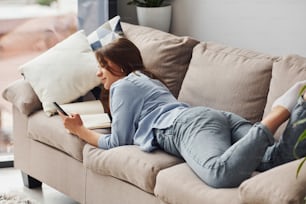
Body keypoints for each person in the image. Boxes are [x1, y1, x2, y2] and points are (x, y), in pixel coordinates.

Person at [59, 37, 306, 188]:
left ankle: (278, 113)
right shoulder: (145, 80)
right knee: (276, 159)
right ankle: (301, 104)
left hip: (186, 126)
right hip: (211, 119)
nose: (98, 73)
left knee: (220, 174)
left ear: (120, 66)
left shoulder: (123, 85)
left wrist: (79, 130)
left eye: (103, 66)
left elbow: (117, 142)